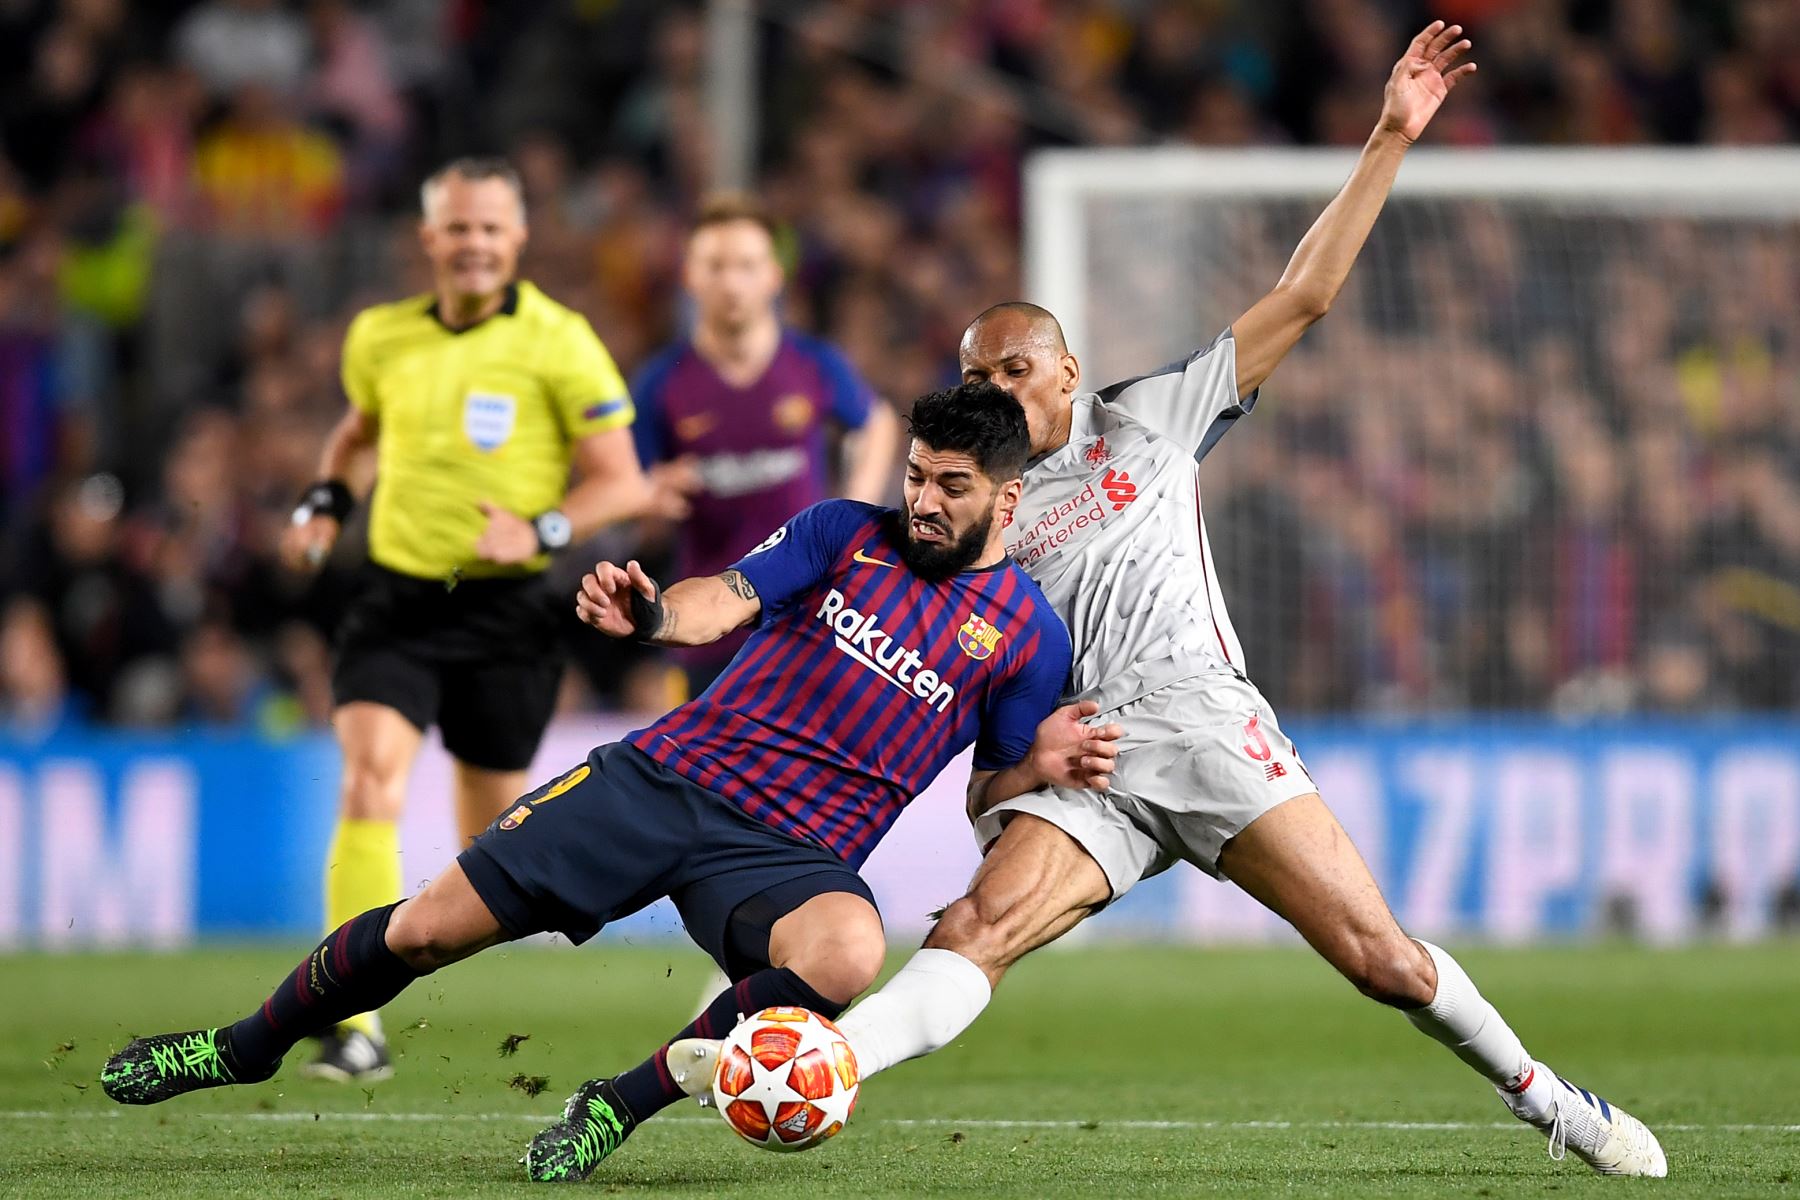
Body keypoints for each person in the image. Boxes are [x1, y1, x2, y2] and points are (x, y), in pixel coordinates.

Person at [678, 23, 1667, 1179]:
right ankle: (820, 1063)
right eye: (973, 375)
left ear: (1065, 373)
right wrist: (1008, 764)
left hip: (1202, 722)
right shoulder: (949, 515)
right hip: (1080, 755)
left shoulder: (1153, 419)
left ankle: (1548, 1098)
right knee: (970, 931)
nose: (991, 388)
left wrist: (1391, 137)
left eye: (1012, 369)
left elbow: (1303, 296)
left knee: (1380, 960)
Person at [100, 385, 1120, 1185]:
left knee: (849, 950)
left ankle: (616, 1105)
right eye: (917, 476)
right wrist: (648, 620)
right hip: (665, 778)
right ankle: (241, 1047)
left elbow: (987, 793)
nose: (925, 501)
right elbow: (717, 602)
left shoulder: (1029, 637)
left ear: (1009, 495)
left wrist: (1040, 766)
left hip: (791, 855)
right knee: (422, 932)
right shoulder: (839, 531)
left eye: (951, 485)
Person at [276, 156, 685, 1083]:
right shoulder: (381, 337)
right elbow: (356, 434)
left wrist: (539, 528)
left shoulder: (560, 340)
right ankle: (356, 1024)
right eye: (458, 228)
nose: (474, 244)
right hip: (399, 600)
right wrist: (324, 505)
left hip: (514, 613)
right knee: (370, 782)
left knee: (487, 841)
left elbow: (623, 481)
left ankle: (415, 951)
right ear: (429, 239)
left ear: (519, 238)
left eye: (492, 228)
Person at [632, 192, 901, 697]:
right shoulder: (661, 383)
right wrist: (653, 493)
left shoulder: (813, 365)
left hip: (809, 614)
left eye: (747, 265)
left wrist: (853, 511)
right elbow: (633, 491)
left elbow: (877, 421)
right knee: (705, 773)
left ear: (774, 275)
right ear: (689, 275)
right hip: (707, 623)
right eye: (715, 266)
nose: (731, 281)